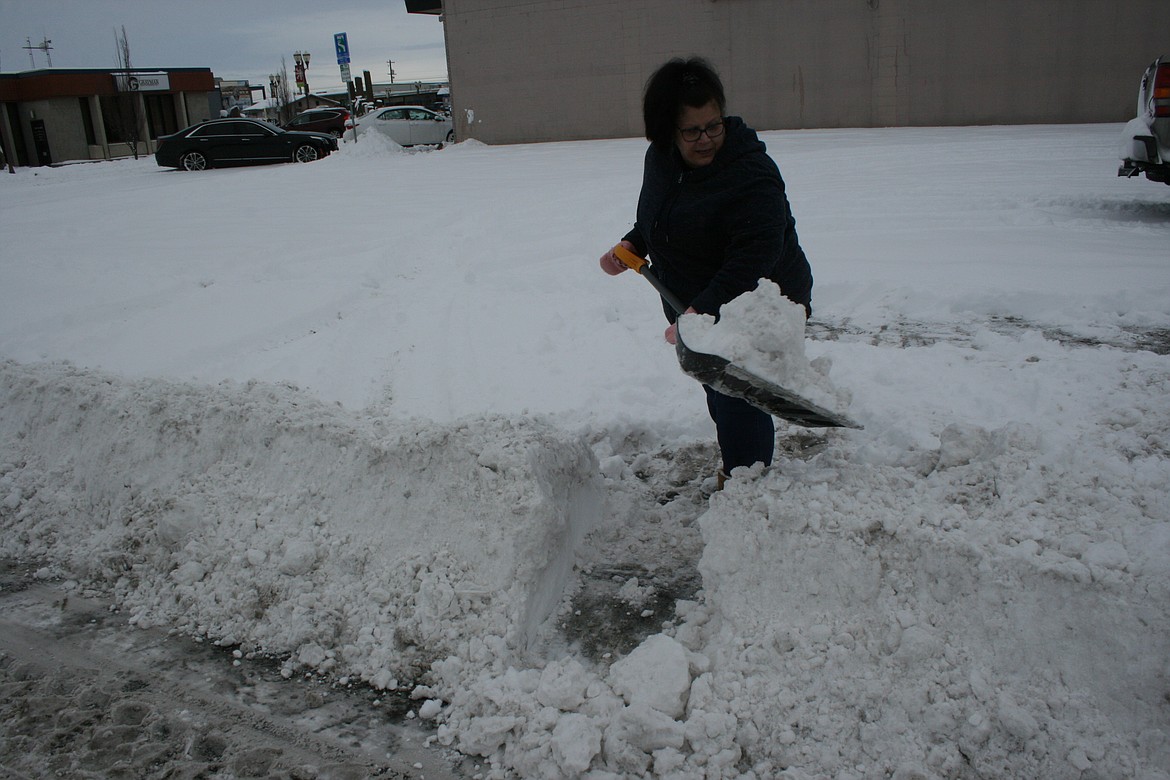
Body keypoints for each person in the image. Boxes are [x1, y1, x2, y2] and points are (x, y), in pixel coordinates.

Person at [599, 56, 813, 489]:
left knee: (738, 395)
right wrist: (633, 245)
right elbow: (660, 216)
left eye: (714, 125)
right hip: (694, 300)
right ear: (666, 131)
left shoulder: (750, 176)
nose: (706, 139)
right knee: (718, 386)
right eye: (691, 131)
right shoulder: (661, 157)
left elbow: (755, 258)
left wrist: (703, 310)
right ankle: (741, 468)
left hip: (757, 299)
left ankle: (745, 483)